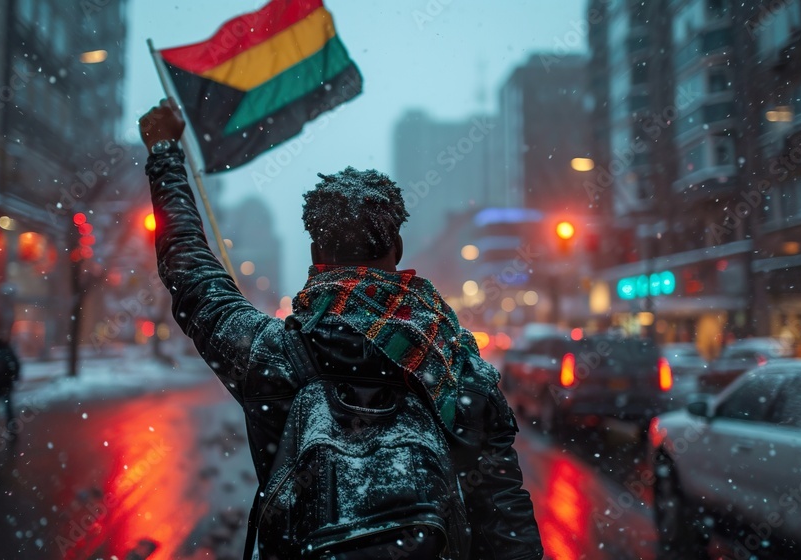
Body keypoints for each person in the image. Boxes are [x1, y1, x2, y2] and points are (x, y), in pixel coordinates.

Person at [139, 99, 543, 559]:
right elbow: (505, 519)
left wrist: (165, 153)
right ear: (398, 247)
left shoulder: (275, 355)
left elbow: (191, 275)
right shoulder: (458, 362)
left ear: (314, 254)